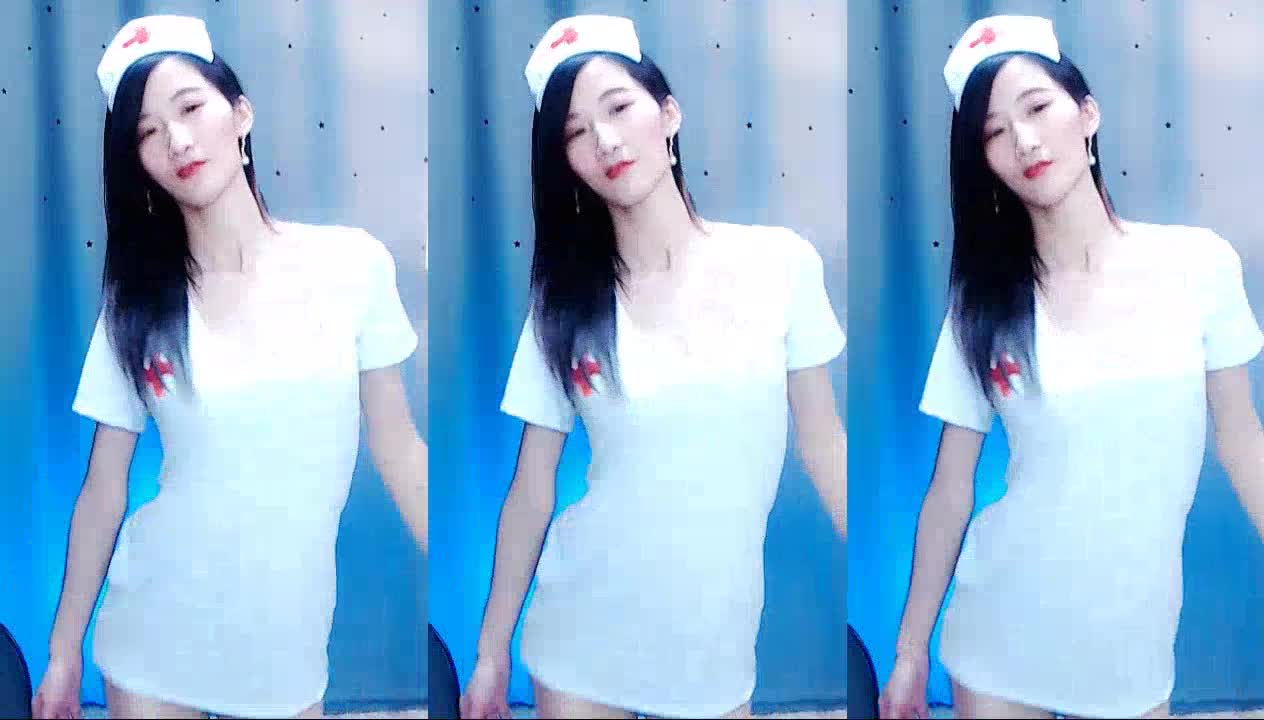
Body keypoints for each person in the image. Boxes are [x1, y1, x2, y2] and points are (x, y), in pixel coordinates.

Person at [879, 15, 1264, 720]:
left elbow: (1245, 443)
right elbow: (949, 491)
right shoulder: (985, 305)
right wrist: (909, 652)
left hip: (1131, 652)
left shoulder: (1198, 266)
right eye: (995, 132)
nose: (1025, 140)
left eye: (1037, 107)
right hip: (999, 641)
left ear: (1087, 114)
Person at [30, 15, 426, 720]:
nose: (178, 141)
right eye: (148, 133)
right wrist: (63, 652)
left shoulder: (351, 264)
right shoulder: (138, 305)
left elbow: (397, 446)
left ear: (240, 114)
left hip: (286, 651)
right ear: (138, 164)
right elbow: (102, 490)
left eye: (190, 108)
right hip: (152, 641)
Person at [458, 15, 848, 720]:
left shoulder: (779, 264)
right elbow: (531, 489)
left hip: (713, 650)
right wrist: (490, 652)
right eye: (576, 132)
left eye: (618, 108)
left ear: (668, 114)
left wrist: (908, 628)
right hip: (579, 641)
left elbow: (825, 445)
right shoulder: (565, 306)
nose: (606, 140)